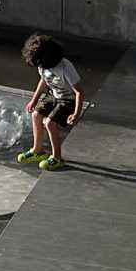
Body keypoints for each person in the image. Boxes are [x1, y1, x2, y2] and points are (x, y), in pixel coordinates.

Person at [17, 32, 85, 172]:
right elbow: (43, 81)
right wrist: (34, 100)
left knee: (49, 123)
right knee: (36, 115)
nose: (40, 67)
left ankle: (57, 158)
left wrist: (77, 114)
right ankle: (37, 150)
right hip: (53, 94)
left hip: (68, 99)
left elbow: (79, 92)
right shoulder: (42, 65)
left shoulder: (65, 67)